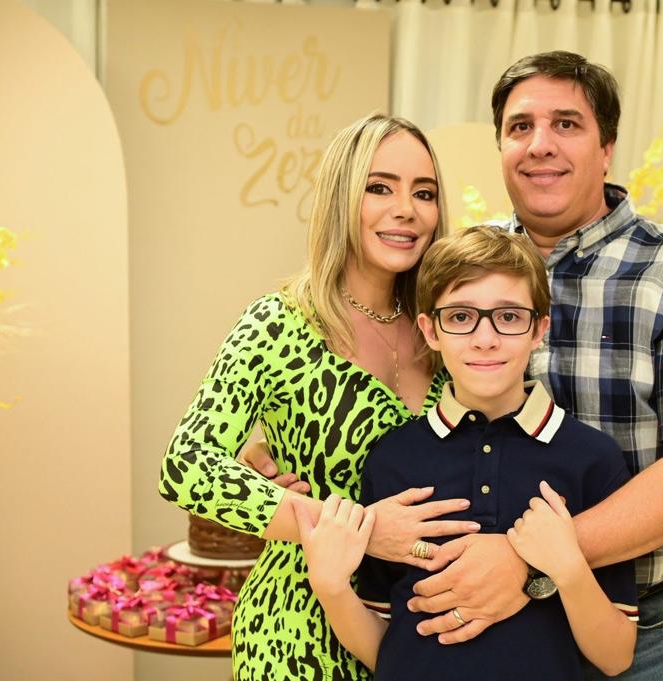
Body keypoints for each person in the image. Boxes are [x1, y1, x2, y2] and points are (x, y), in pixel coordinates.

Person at [243, 51, 663, 681]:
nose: (540, 145)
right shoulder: (462, 262)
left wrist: (527, 561)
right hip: (450, 627)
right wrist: (279, 446)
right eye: (520, 127)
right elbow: (382, 363)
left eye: (566, 124)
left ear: (607, 148)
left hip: (640, 628)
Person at [158, 114, 482, 681]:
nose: (406, 209)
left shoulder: (445, 329)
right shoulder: (279, 323)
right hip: (297, 631)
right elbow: (186, 467)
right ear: (340, 197)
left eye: (424, 192)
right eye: (379, 187)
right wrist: (360, 528)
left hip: (420, 632)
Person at [295, 226, 638, 680]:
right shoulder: (393, 458)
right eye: (460, 317)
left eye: (509, 317)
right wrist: (331, 588)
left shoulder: (592, 458)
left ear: (540, 328)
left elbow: (616, 656)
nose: (485, 339)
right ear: (430, 330)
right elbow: (386, 650)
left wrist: (568, 567)